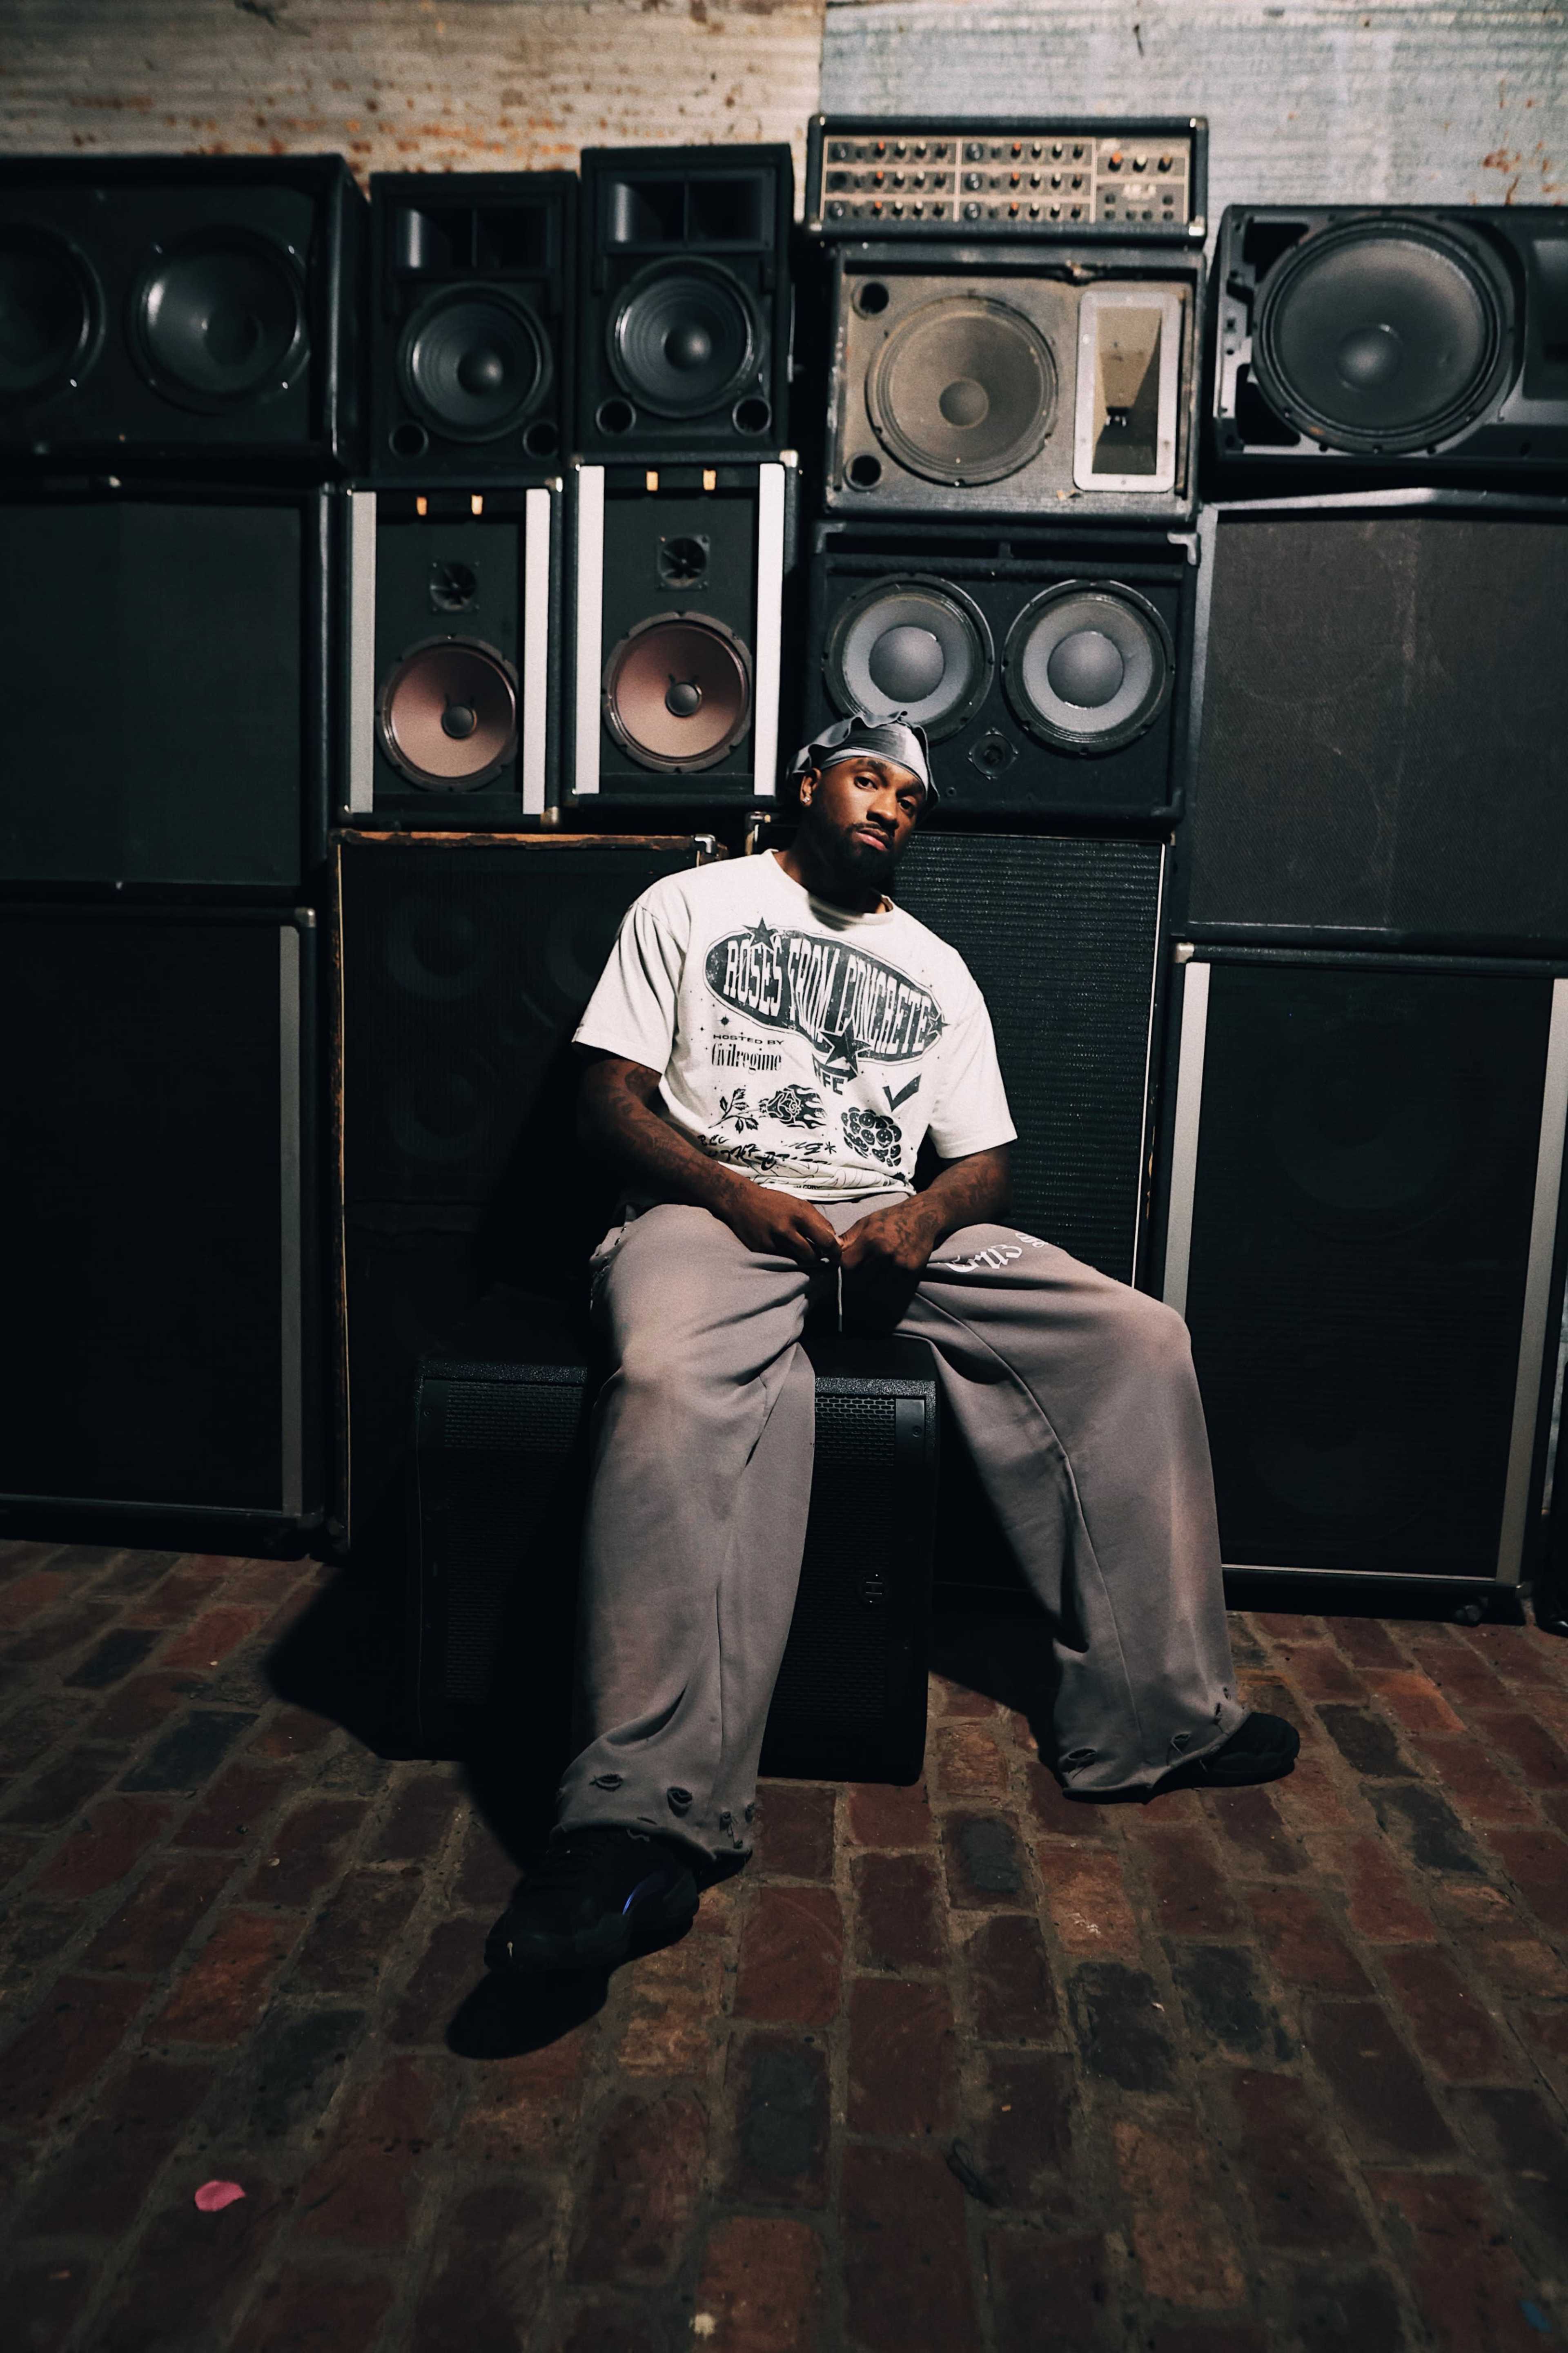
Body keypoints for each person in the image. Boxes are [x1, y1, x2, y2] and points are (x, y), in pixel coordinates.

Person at [486, 713, 1298, 1976]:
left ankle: (1160, 1717)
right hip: (719, 1211)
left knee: (1138, 1338)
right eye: (871, 780)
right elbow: (607, 1100)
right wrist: (730, 1193)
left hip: (876, 1218)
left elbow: (987, 1163)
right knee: (666, 1375)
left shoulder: (937, 965)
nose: (890, 809)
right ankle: (640, 1820)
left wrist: (919, 1220)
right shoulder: (690, 904)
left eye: (911, 801)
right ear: (809, 784)